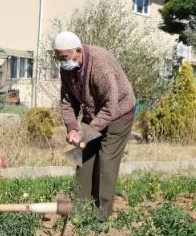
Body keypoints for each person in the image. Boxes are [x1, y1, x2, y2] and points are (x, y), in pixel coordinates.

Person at [54, 31, 136, 221]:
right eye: (59, 58)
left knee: (105, 164)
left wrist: (87, 133)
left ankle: (101, 219)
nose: (62, 62)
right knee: (83, 162)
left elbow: (110, 107)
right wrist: (72, 128)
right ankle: (81, 213)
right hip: (94, 114)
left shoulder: (100, 64)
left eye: (65, 57)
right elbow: (67, 101)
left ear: (78, 50)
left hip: (119, 115)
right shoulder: (67, 68)